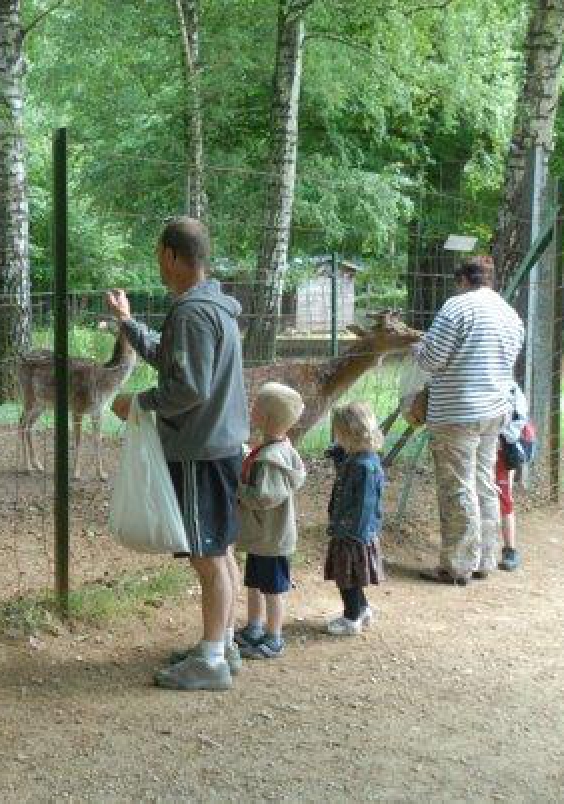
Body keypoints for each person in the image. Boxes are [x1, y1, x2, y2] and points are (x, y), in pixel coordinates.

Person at [106, 216, 249, 692]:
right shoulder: (215, 308)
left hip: (198, 451)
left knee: (206, 555)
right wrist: (128, 323)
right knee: (220, 549)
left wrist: (138, 404)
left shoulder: (190, 313)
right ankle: (222, 642)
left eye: (158, 256)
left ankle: (210, 660)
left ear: (170, 255)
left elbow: (188, 387)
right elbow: (176, 359)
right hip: (221, 445)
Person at [414, 256, 524, 585]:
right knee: (484, 482)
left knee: (457, 488)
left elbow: (432, 358)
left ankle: (457, 565)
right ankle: (485, 558)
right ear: (489, 279)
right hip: (495, 411)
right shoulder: (509, 313)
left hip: (458, 412)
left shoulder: (457, 307)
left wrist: (419, 348)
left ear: (462, 279)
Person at [234, 382, 306, 660]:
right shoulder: (278, 448)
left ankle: (274, 637)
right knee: (254, 583)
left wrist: (236, 489)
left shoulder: (270, 459)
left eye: (255, 407)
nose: (251, 410)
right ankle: (254, 628)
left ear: (265, 418)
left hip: (271, 538)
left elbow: (264, 497)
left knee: (273, 590)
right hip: (263, 538)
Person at [323, 402, 386, 636]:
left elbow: (366, 503)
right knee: (352, 576)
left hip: (352, 534)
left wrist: (352, 532)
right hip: (349, 530)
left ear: (350, 433)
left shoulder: (364, 466)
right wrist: (339, 460)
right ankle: (363, 608)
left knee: (346, 577)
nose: (336, 438)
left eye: (339, 434)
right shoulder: (358, 458)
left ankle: (351, 618)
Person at [495, 384, 533, 571]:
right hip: (497, 440)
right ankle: (480, 544)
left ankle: (510, 549)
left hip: (508, 443)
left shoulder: (508, 387)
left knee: (503, 496)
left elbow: (516, 423)